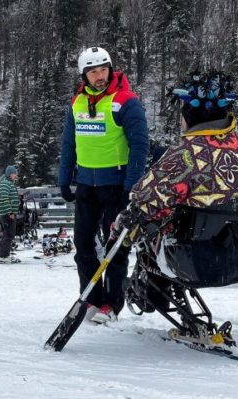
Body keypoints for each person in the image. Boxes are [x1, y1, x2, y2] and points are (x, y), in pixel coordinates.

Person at [127, 71, 238, 343]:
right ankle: (161, 291)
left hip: (193, 260)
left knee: (146, 238)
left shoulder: (185, 154)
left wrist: (127, 224)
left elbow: (146, 200)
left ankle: (148, 292)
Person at [57, 47, 148, 324]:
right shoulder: (77, 103)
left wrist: (130, 185)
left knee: (116, 247)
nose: (99, 76)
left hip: (116, 186)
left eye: (103, 70)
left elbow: (140, 146)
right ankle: (91, 298)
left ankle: (112, 303)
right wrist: (64, 177)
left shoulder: (126, 102)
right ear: (84, 75)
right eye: (93, 71)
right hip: (86, 185)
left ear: (111, 69)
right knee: (83, 245)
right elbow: (69, 143)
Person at [0, 165, 20, 264]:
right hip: (7, 214)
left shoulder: (9, 183)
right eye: (14, 174)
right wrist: (10, 212)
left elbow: (10, 197)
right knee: (8, 234)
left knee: (9, 234)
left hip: (10, 213)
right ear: (9, 174)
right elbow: (4, 199)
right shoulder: (5, 183)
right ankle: (3, 256)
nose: (16, 175)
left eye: (16, 173)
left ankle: (5, 254)